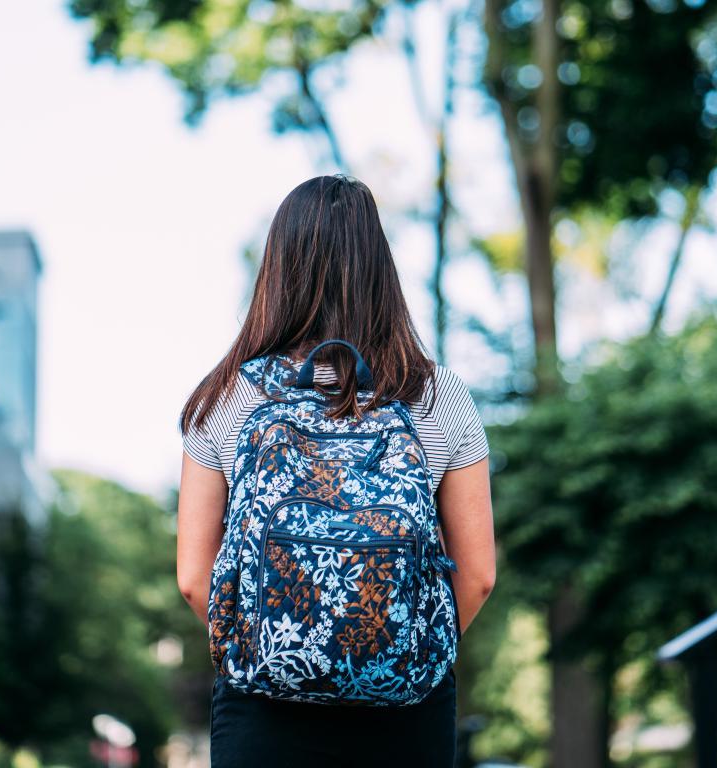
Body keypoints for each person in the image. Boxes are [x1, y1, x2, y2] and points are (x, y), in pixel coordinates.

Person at [177, 175, 496, 767]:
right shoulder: (437, 394)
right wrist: (396, 653)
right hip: (407, 712)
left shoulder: (228, 398)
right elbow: (476, 576)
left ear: (279, 268)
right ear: (381, 269)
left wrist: (271, 649)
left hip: (263, 714)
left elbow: (196, 579)